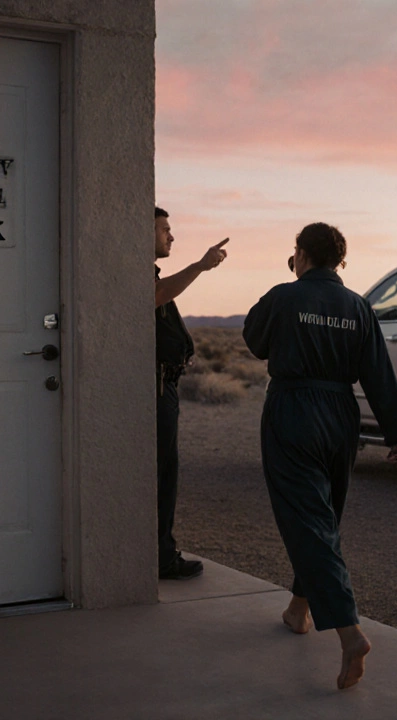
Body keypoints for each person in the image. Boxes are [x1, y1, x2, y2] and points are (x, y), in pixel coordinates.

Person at [242, 222, 397, 690]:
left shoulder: (284, 295)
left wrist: (291, 284)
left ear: (300, 253)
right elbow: (377, 369)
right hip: (341, 416)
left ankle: (349, 632)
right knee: (322, 517)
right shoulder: (358, 306)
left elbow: (255, 341)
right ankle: (299, 609)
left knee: (308, 520)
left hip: (293, 411)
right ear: (340, 261)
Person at [155, 206, 229, 580]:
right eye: (165, 229)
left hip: (164, 384)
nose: (171, 236)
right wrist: (200, 266)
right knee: (161, 473)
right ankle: (160, 557)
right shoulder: (145, 279)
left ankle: (160, 551)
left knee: (166, 471)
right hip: (153, 388)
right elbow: (157, 294)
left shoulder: (151, 275)